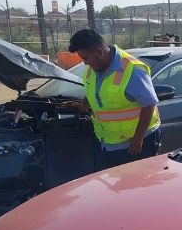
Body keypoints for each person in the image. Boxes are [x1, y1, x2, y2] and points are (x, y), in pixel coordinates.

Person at [64, 29, 162, 171]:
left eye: (85, 58)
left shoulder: (132, 70)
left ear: (99, 52)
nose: (85, 63)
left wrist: (138, 138)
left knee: (135, 187)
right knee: (114, 187)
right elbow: (96, 91)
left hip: (136, 145)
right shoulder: (94, 68)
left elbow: (149, 103)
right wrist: (84, 104)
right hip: (109, 143)